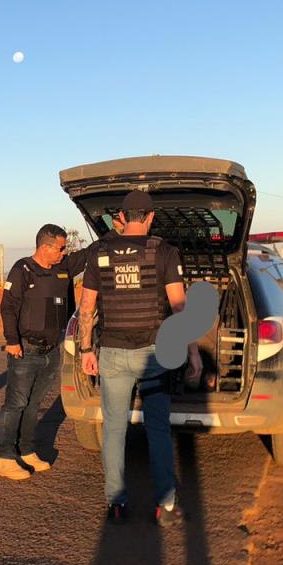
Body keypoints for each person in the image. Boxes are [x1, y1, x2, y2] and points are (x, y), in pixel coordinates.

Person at [77, 191, 202, 525]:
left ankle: (116, 504)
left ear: (122, 216)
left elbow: (86, 308)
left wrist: (85, 350)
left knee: (114, 430)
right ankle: (166, 506)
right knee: (158, 431)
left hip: (112, 354)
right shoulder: (163, 252)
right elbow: (179, 307)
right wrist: (192, 353)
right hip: (154, 354)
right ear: (149, 218)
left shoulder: (98, 253)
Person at [0, 224, 90, 480]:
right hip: (25, 349)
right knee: (16, 404)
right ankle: (5, 457)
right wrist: (12, 341)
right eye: (60, 248)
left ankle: (26, 451)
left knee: (34, 404)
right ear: (45, 247)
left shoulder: (63, 268)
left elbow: (90, 253)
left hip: (51, 350)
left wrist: (116, 232)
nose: (63, 253)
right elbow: (8, 307)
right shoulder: (23, 269)